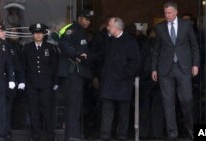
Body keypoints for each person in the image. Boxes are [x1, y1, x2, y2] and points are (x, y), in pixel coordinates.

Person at [151, 2, 199, 141]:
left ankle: (190, 129)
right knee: (168, 102)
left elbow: (194, 46)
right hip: (165, 69)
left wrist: (195, 64)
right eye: (165, 13)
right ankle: (173, 134)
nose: (167, 16)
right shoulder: (160, 27)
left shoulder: (186, 25)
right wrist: (154, 68)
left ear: (176, 12)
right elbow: (156, 50)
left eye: (170, 13)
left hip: (183, 68)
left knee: (186, 99)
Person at [99, 17, 140, 141]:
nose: (107, 28)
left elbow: (135, 61)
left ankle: (122, 136)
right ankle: (105, 136)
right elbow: (101, 57)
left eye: (109, 26)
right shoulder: (108, 41)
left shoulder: (130, 41)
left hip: (123, 82)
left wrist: (123, 75)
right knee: (107, 111)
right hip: (108, 82)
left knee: (123, 112)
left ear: (116, 28)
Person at [57, 9, 93, 141]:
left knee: (76, 105)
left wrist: (83, 56)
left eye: (89, 20)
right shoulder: (71, 30)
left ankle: (75, 135)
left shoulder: (82, 31)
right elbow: (63, 44)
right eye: (86, 19)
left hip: (78, 73)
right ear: (79, 18)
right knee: (72, 105)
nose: (88, 22)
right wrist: (77, 54)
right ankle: (71, 136)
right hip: (70, 72)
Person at [21, 23, 57, 141]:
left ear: (43, 34)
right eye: (36, 33)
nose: (38, 35)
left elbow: (54, 66)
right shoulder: (27, 48)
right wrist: (24, 81)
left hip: (46, 84)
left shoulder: (50, 48)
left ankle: (50, 135)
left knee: (47, 111)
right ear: (32, 34)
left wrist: (55, 82)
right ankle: (35, 136)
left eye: (40, 33)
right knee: (34, 111)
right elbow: (24, 66)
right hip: (32, 84)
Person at [0, 25, 24, 141]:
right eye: (1, 31)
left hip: (9, 85)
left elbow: (17, 67)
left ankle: (6, 134)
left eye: (4, 31)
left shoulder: (10, 48)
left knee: (7, 111)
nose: (4, 33)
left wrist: (21, 80)